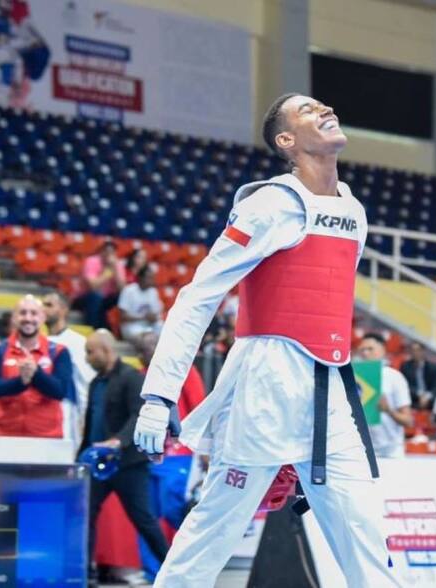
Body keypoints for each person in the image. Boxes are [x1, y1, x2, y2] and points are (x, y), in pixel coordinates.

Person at [133, 93, 396, 587]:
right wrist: (158, 394)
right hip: (264, 386)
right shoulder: (270, 204)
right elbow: (198, 297)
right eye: (306, 111)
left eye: (322, 104)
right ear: (287, 141)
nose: (323, 109)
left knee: (368, 543)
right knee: (211, 533)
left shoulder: (354, 211)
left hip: (332, 391)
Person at [81, 329, 170, 582]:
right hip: (99, 465)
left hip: (128, 464)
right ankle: (88, 574)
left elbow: (138, 415)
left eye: (91, 351)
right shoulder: (95, 383)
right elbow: (91, 424)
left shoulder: (131, 378)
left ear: (107, 351)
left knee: (144, 520)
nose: (87, 357)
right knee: (86, 515)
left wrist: (118, 441)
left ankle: (174, 573)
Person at [137, 331, 206, 580]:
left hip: (179, 454)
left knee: (174, 509)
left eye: (155, 345)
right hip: (147, 457)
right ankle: (151, 574)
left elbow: (199, 406)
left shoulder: (184, 372)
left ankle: (190, 565)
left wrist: (205, 449)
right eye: (145, 348)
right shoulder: (140, 378)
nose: (150, 351)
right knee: (148, 516)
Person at [0, 295, 75, 438]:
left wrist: (36, 373)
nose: (28, 318)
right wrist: (20, 382)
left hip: (47, 437)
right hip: (4, 436)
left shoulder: (59, 351)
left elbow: (60, 391)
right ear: (14, 318)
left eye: (34, 313)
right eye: (22, 313)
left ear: (43, 317)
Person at [43, 291, 97, 448]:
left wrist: (85, 419)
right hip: (44, 410)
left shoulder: (77, 342)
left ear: (64, 309)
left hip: (67, 411)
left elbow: (86, 383)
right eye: (43, 305)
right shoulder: (39, 341)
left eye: (49, 305)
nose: (44, 309)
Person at [356, 332, 413, 458]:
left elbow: (408, 421)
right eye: (362, 349)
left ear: (382, 350)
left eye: (370, 349)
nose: (365, 353)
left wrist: (388, 410)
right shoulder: (354, 377)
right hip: (362, 449)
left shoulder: (394, 377)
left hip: (391, 450)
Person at [79, 240, 127, 329]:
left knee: (122, 297)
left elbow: (122, 289)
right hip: (86, 297)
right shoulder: (91, 261)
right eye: (106, 251)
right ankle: (93, 329)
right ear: (101, 252)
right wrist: (108, 272)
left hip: (106, 299)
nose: (109, 254)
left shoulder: (118, 264)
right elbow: (93, 287)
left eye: (112, 252)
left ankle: (120, 330)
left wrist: (115, 270)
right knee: (96, 297)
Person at [118, 265, 163, 343]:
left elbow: (156, 312)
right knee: (148, 340)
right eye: (148, 278)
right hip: (133, 326)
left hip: (149, 325)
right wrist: (143, 317)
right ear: (140, 278)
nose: (151, 280)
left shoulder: (153, 291)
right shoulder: (128, 290)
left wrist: (153, 317)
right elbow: (123, 316)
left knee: (165, 331)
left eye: (152, 278)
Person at [399, 341, 436, 409]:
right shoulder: (405, 366)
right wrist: (419, 394)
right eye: (412, 350)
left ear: (423, 351)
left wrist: (427, 396)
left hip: (430, 399)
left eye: (418, 350)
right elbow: (405, 384)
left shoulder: (432, 367)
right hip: (413, 398)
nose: (415, 353)